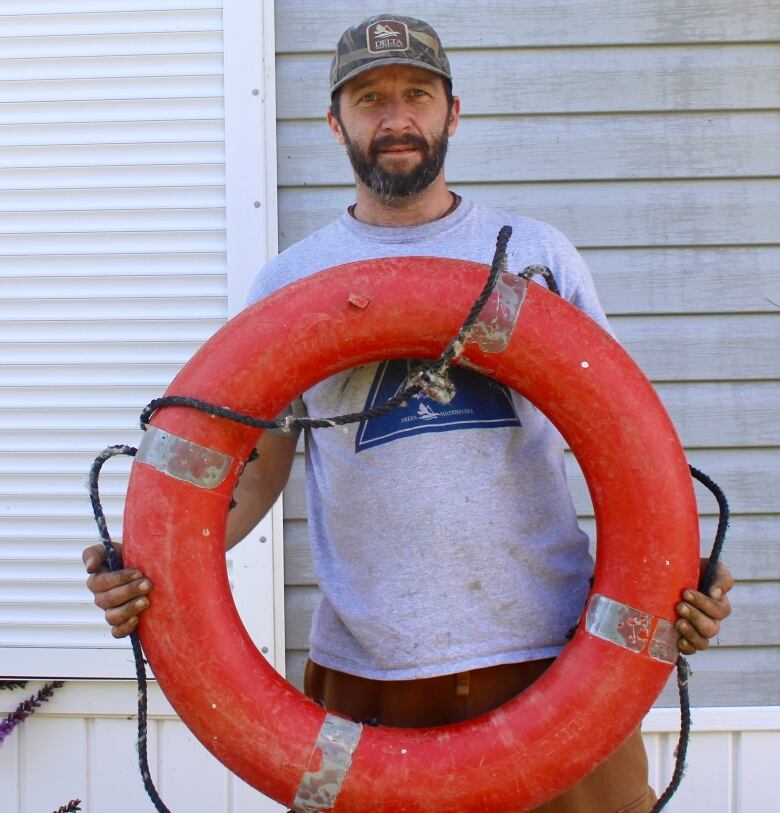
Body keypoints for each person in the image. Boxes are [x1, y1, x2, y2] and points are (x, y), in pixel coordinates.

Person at [84, 15, 734, 812]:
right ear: (335, 121)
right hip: (371, 669)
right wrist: (152, 563)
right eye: (370, 99)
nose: (396, 118)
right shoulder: (292, 281)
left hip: (553, 655)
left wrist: (672, 574)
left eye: (416, 94)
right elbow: (255, 475)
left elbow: (622, 445)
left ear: (451, 112)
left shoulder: (535, 250)